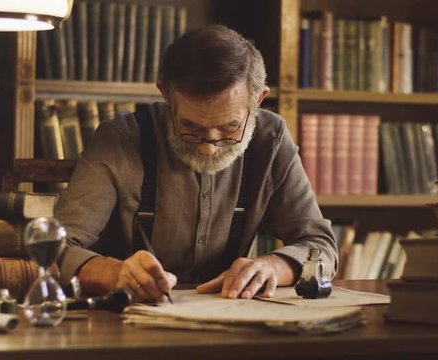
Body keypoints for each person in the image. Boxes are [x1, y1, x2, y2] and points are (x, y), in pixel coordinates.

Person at [55, 24, 337, 302]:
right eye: (190, 127)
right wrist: (114, 274)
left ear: (259, 99)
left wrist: (273, 266)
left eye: (229, 128)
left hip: (233, 323)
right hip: (125, 320)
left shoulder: (271, 139)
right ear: (165, 94)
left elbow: (321, 246)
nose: (208, 149)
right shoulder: (119, 140)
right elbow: (53, 248)